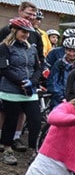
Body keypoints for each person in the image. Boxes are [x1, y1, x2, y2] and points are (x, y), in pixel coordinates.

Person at [0, 18, 43, 164]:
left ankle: (34, 150)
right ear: (14, 30)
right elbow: (4, 69)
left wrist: (34, 81)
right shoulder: (5, 47)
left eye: (28, 33)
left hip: (29, 91)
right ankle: (7, 149)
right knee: (10, 120)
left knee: (36, 120)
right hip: (11, 90)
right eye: (23, 31)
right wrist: (20, 82)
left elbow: (38, 68)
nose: (26, 35)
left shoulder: (32, 48)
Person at [47, 37, 75, 109]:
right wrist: (60, 98)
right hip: (59, 98)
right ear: (65, 50)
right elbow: (52, 82)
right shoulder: (59, 63)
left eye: (74, 51)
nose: (71, 54)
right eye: (69, 50)